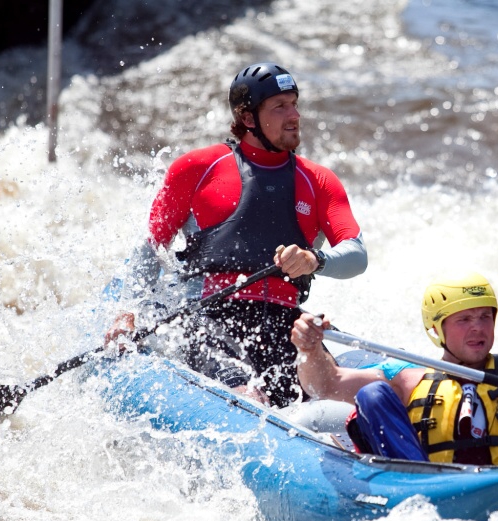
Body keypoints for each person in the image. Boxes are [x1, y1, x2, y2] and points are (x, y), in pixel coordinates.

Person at [105, 63, 367, 407]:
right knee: (248, 400)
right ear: (247, 118)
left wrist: (314, 259)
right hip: (209, 320)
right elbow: (151, 249)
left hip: (284, 323)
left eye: (294, 103)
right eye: (280, 107)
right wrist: (128, 311)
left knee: (338, 407)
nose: (294, 115)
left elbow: (356, 256)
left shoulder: (318, 181)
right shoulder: (198, 168)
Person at [290, 274, 498, 465]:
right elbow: (324, 384)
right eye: (464, 320)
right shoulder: (406, 374)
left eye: (485, 317)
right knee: (373, 395)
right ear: (437, 329)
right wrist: (309, 348)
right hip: (432, 493)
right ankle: (414, 484)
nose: (478, 328)